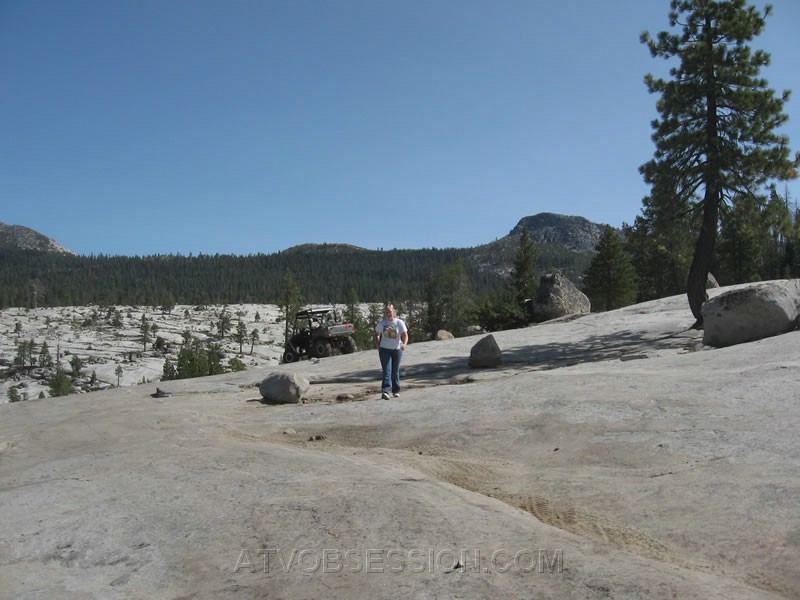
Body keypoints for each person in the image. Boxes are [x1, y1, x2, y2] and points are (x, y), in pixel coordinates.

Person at [373, 303, 408, 400]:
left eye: (390, 311)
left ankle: (396, 390)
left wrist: (404, 344)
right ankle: (385, 391)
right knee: (387, 370)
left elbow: (405, 335)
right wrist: (378, 345)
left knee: (395, 371)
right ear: (385, 313)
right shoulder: (382, 324)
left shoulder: (399, 322)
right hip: (384, 350)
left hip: (397, 350)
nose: (389, 313)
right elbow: (376, 334)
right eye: (387, 312)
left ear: (394, 312)